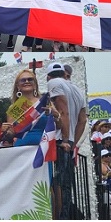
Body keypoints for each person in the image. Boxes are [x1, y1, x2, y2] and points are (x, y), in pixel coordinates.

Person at [46, 62, 87, 220]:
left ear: (48, 76)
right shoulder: (76, 90)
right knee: (66, 187)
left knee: (57, 186)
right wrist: (72, 143)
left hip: (59, 141)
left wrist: (64, 139)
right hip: (68, 143)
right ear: (64, 74)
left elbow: (63, 112)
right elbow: (82, 121)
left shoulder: (53, 83)